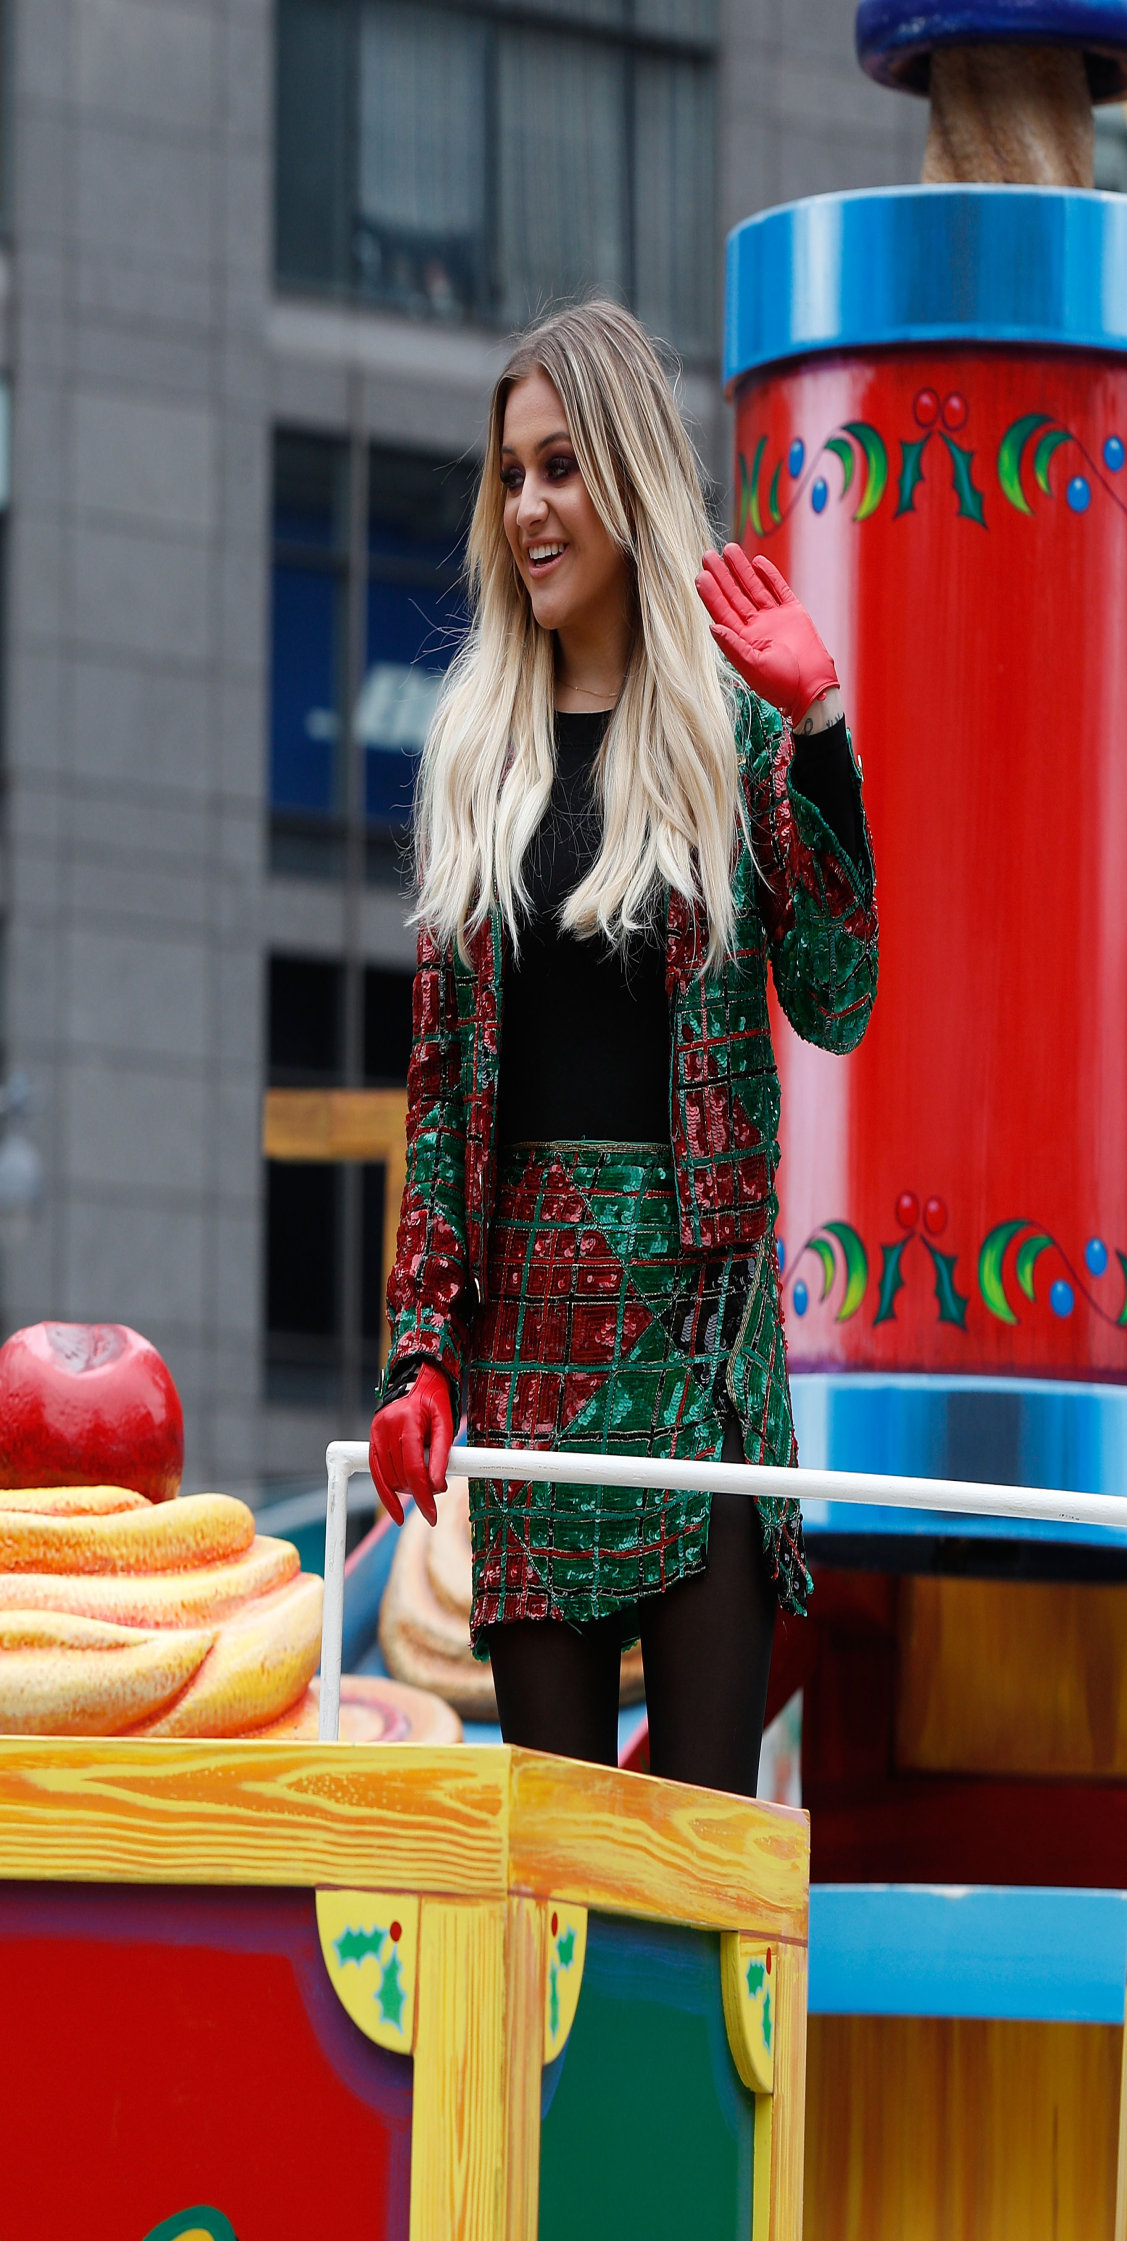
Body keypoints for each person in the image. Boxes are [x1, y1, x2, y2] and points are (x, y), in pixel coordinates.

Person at [366, 298, 877, 1795]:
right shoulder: (474, 751)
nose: (528, 507)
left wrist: (824, 725)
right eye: (511, 475)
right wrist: (419, 1356)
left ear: (633, 482)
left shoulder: (732, 733)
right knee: (557, 1872)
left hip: (705, 1354)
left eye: (562, 470)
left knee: (705, 1853)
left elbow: (838, 994)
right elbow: (443, 1095)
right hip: (526, 1368)